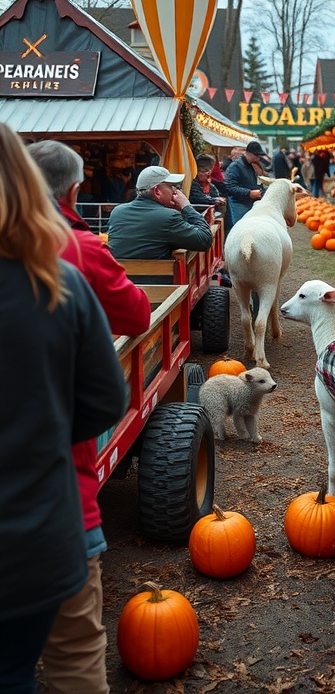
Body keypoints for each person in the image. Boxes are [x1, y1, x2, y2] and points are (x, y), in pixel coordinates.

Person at [0, 124, 127, 694]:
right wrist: (48, 432)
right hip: (46, 524)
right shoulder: (64, 278)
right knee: (72, 658)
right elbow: (106, 397)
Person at [28, 140, 150, 694]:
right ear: (75, 191)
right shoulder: (75, 255)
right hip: (57, 503)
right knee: (75, 659)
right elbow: (136, 313)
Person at [107, 165, 213, 260]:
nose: (175, 191)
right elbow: (205, 240)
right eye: (171, 186)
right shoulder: (168, 217)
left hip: (119, 280)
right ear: (157, 191)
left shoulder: (117, 212)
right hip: (156, 280)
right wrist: (186, 206)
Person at [224, 141, 267, 224]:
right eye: (257, 155)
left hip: (248, 203)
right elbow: (230, 187)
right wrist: (249, 193)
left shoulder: (249, 165)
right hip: (239, 205)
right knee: (241, 228)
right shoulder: (235, 166)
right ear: (249, 153)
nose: (259, 158)